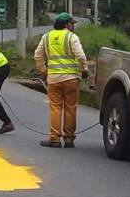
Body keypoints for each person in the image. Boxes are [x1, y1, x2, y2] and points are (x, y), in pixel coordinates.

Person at [34, 12, 89, 148]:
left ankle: (54, 138)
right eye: (72, 23)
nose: (73, 26)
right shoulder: (72, 37)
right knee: (71, 108)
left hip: (53, 79)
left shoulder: (46, 37)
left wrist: (43, 72)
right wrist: (85, 69)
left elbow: (37, 56)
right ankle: (69, 139)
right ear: (66, 24)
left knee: (55, 108)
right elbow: (81, 56)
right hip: (71, 79)